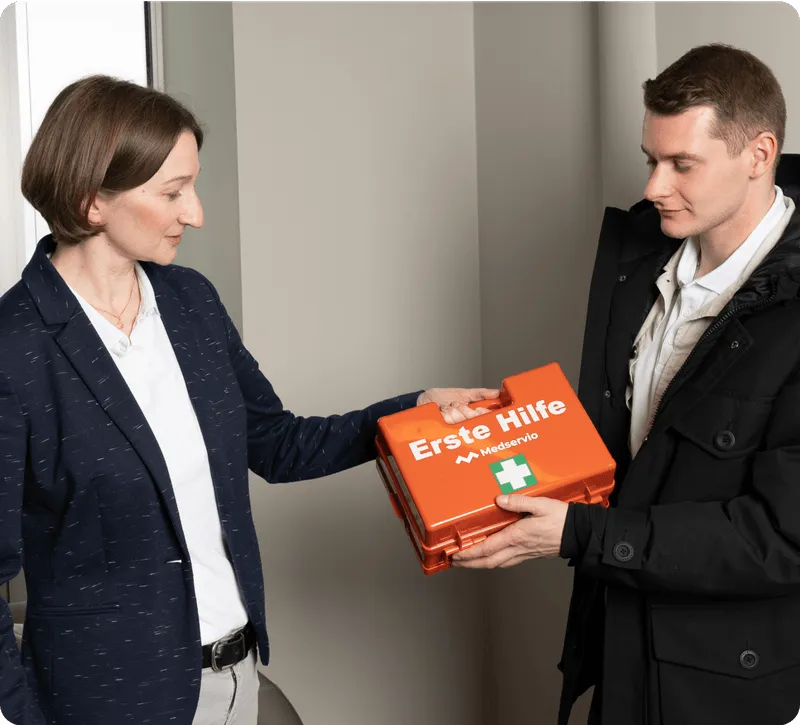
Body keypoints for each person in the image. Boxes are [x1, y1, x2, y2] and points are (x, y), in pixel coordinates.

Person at [0, 74, 498, 725]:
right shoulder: (17, 347)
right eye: (173, 191)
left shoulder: (190, 302)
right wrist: (18, 714)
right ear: (94, 201)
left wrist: (415, 409)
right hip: (103, 700)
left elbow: (279, 442)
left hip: (239, 678)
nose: (196, 212)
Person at [452, 43, 800, 725]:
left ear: (759, 154)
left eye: (682, 164)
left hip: (731, 689)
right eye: (650, 159)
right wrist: (496, 425)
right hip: (618, 655)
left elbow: (781, 539)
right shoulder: (637, 258)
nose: (652, 187)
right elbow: (624, 450)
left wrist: (580, 534)